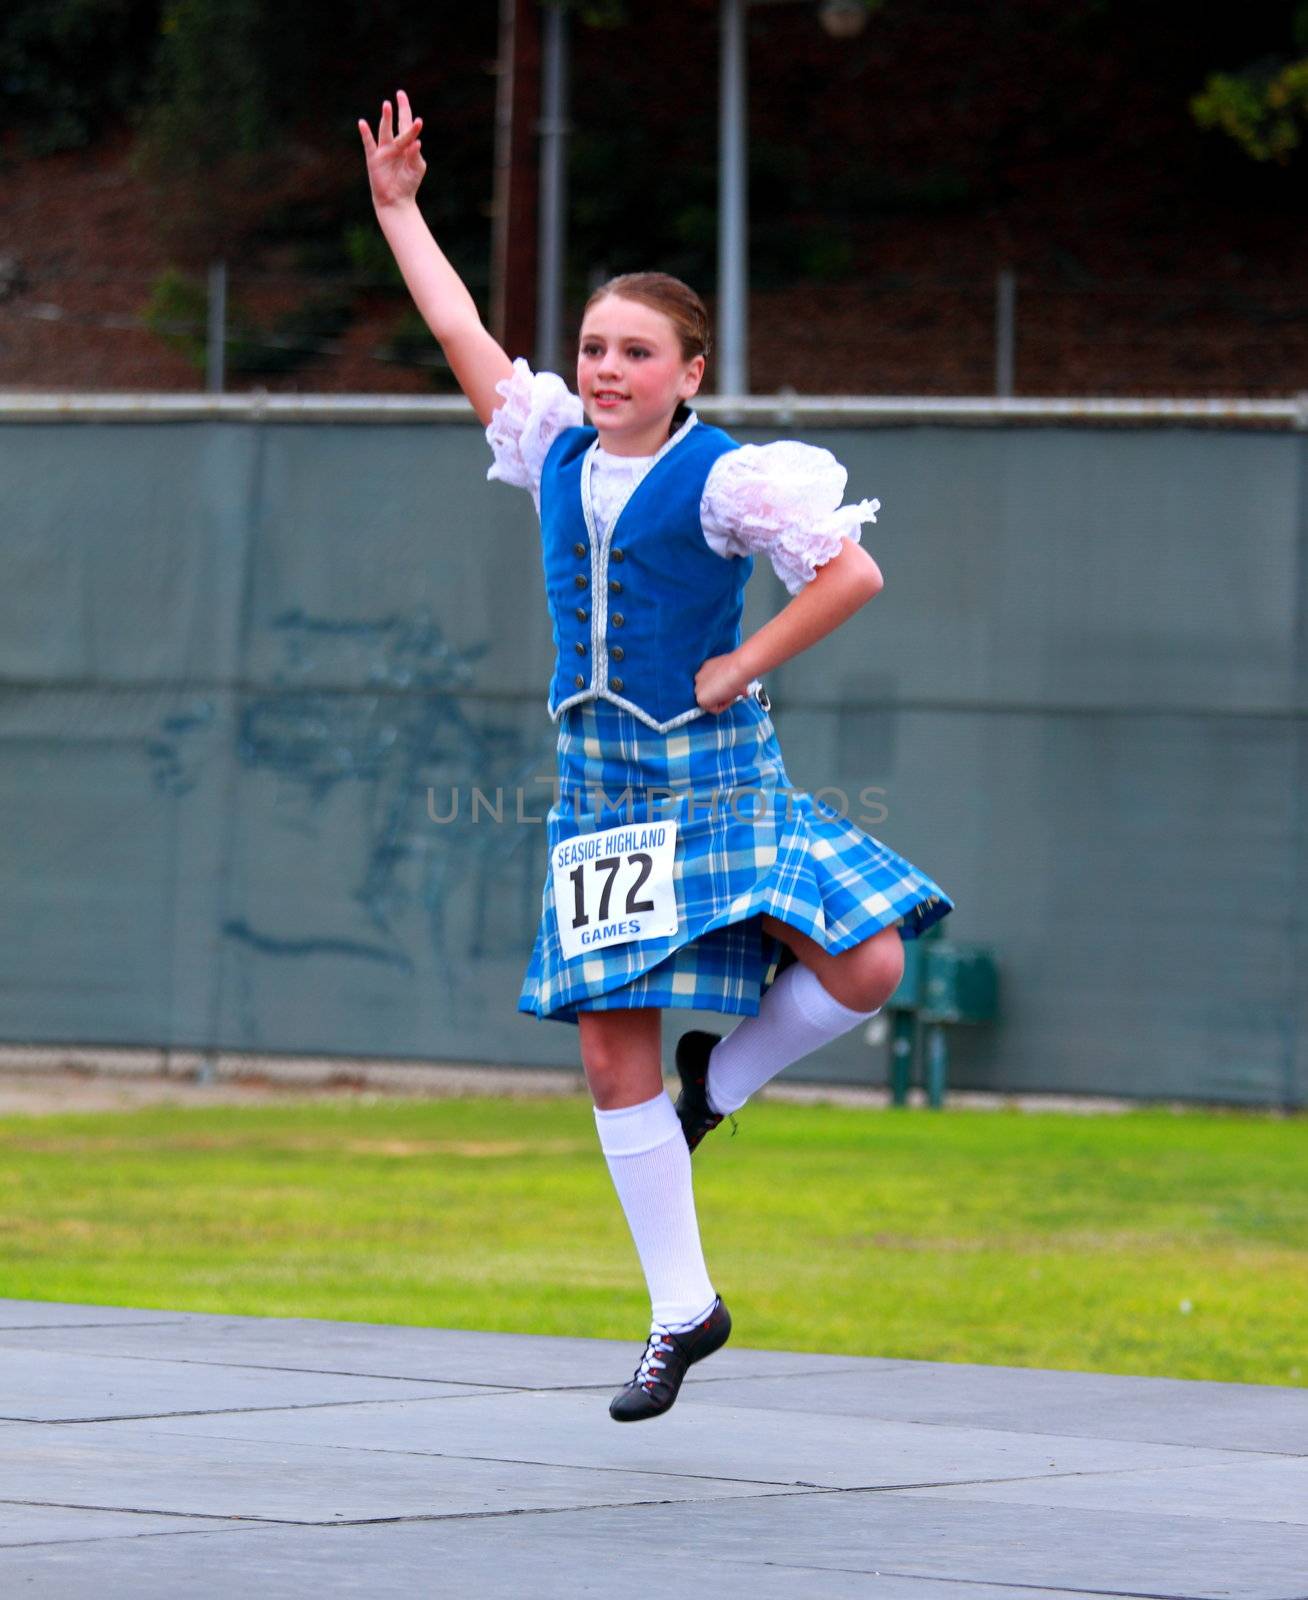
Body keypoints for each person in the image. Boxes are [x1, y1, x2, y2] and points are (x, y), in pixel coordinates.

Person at [360, 91, 953, 1423]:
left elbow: (851, 571)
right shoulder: (550, 444)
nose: (611, 367)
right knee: (605, 1045)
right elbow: (460, 328)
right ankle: (681, 1309)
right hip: (602, 786)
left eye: (638, 350)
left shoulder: (737, 479)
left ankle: (722, 1082)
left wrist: (745, 664)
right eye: (594, 348)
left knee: (869, 959)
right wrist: (401, 208)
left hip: (716, 761)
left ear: (689, 370)